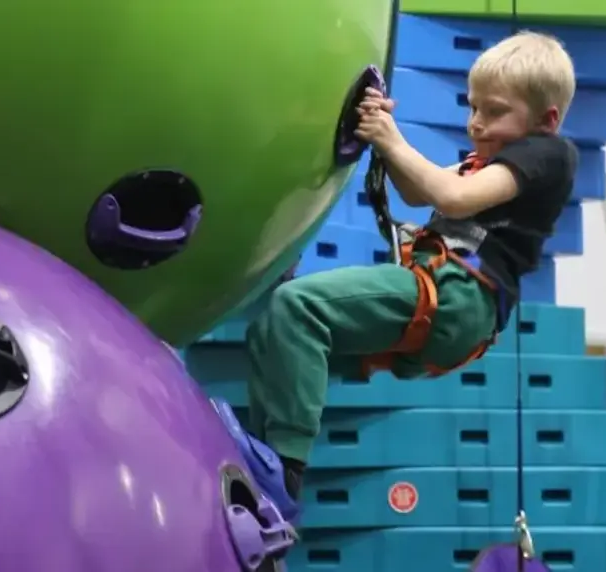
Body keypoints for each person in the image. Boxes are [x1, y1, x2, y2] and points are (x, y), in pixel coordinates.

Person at [212, 30, 578, 525]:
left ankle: (283, 474)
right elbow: (416, 192)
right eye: (473, 108)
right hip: (444, 297)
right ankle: (267, 482)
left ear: (546, 119)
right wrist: (383, 134)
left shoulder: (547, 155)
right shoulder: (485, 159)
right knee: (280, 335)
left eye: (493, 112)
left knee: (297, 309)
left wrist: (391, 138)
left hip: (459, 296)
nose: (476, 123)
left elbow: (452, 198)